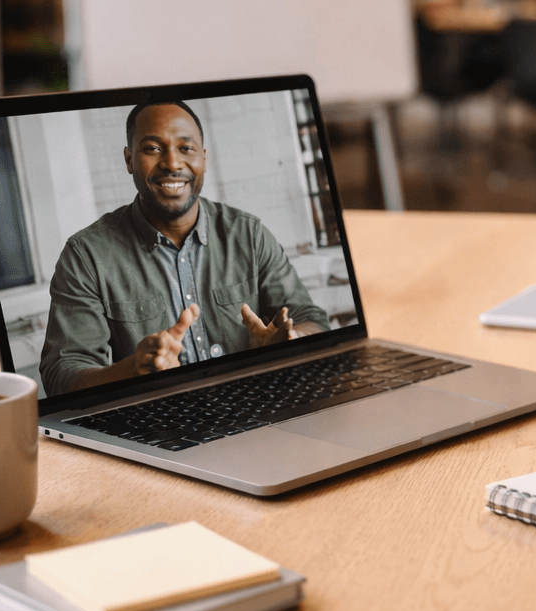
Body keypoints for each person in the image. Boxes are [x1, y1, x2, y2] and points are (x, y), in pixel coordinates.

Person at [39, 102, 328, 397]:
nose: (173, 163)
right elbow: (61, 375)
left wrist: (292, 339)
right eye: (153, 148)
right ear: (129, 160)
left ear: (203, 158)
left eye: (186, 148)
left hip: (257, 401)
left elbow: (312, 320)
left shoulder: (248, 235)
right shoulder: (86, 256)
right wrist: (133, 371)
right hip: (156, 418)